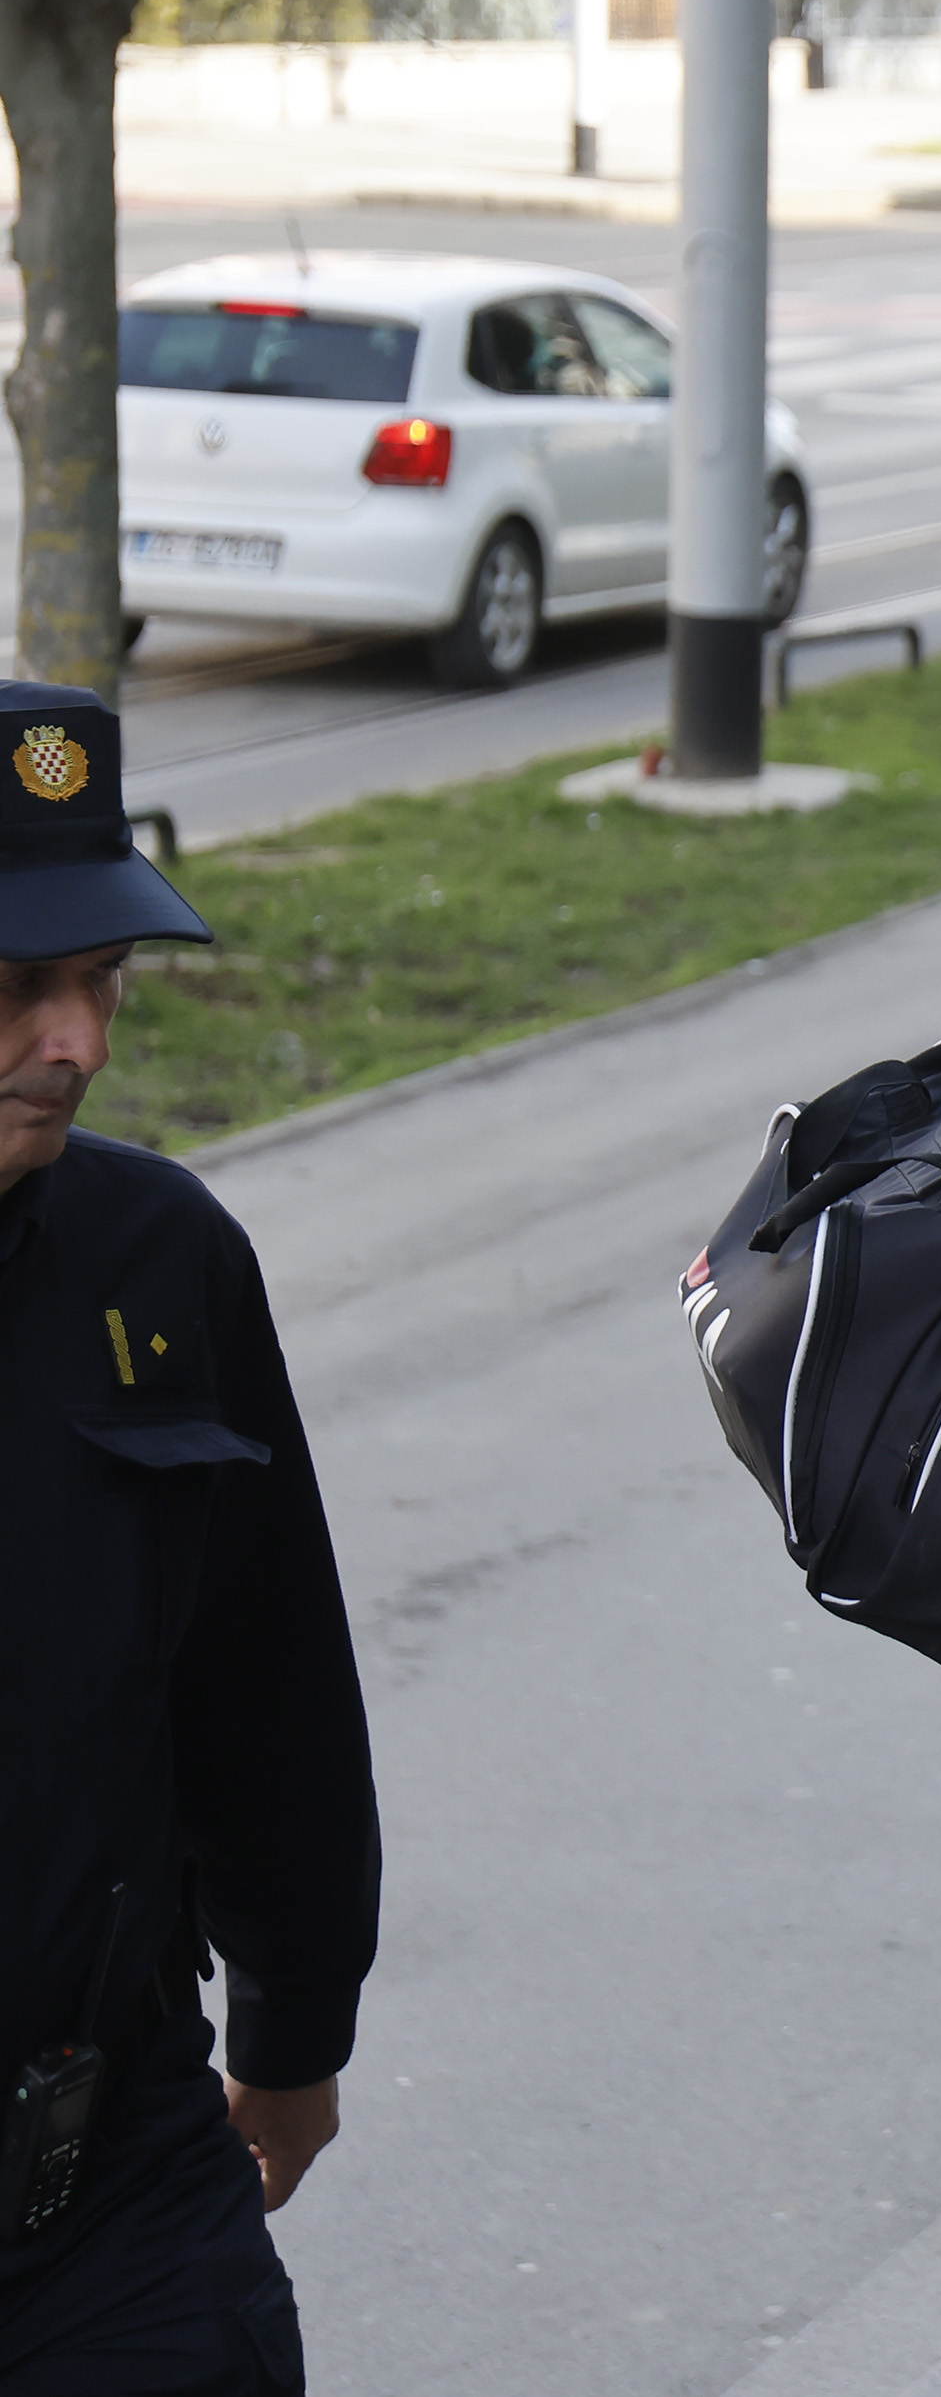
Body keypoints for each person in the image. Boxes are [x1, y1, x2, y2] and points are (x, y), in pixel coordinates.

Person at [1, 684, 380, 2396]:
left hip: (109, 2188)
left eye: (104, 984)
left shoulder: (159, 1260)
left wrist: (292, 2027)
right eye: (20, 989)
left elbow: (268, 1684)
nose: (76, 1040)